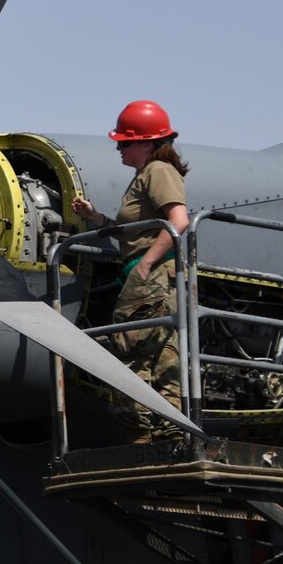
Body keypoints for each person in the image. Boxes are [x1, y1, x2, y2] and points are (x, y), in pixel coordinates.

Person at [71, 100, 190, 445]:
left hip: (151, 277)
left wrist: (145, 265)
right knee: (161, 353)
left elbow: (178, 222)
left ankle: (141, 437)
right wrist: (96, 219)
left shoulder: (158, 172)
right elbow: (137, 231)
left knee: (132, 353)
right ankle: (168, 437)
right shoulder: (147, 175)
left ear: (148, 143)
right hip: (157, 277)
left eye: (125, 141)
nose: (119, 148)